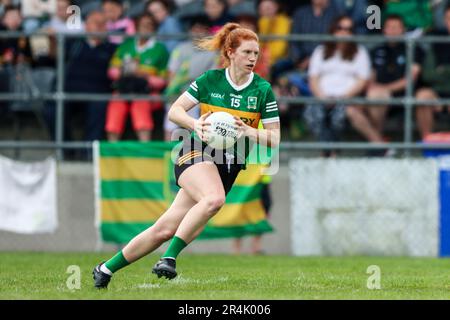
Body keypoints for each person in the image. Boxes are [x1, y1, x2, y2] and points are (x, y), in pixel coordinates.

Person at [93, 22, 281, 288]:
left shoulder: (262, 90)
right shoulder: (210, 80)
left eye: (256, 53)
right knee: (214, 199)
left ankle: (105, 269)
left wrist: (247, 132)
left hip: (230, 164)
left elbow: (274, 138)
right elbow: (175, 111)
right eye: (247, 52)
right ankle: (169, 258)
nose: (253, 58)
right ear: (230, 52)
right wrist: (195, 124)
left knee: (165, 228)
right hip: (196, 150)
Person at [42, 11, 117, 159]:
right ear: (86, 26)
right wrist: (51, 40)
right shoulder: (74, 43)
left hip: (97, 93)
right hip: (69, 90)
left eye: (103, 24)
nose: (100, 27)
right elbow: (54, 56)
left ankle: (88, 154)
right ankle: (66, 151)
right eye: (96, 23)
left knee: (99, 106)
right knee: (51, 109)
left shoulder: (111, 48)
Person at [304, 15, 376, 156]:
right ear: (333, 30)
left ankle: (332, 152)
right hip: (322, 97)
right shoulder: (320, 51)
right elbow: (313, 79)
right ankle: (328, 151)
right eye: (340, 28)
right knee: (313, 114)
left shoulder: (360, 52)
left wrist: (342, 98)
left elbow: (362, 81)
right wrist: (323, 98)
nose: (344, 32)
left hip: (348, 98)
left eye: (348, 29)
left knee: (338, 117)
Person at [105, 13, 169, 142]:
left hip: (147, 92)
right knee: (115, 106)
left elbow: (163, 80)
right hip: (124, 89)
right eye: (141, 25)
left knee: (140, 106)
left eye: (149, 25)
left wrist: (143, 74)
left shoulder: (160, 49)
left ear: (154, 28)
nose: (145, 28)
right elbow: (112, 71)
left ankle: (143, 149)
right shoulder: (126, 45)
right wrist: (127, 70)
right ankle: (112, 150)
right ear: (136, 26)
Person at [367, 14, 423, 140]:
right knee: (375, 95)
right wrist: (378, 89)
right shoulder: (376, 50)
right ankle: (378, 142)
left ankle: (429, 144)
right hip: (381, 94)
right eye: (389, 27)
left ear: (403, 30)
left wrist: (385, 88)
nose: (392, 31)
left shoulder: (413, 49)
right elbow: (370, 77)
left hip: (407, 94)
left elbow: (411, 78)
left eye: (396, 27)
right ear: (384, 30)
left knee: (423, 97)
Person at [163, 14, 218, 140]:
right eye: (196, 29)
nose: (198, 33)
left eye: (203, 29)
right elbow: (171, 74)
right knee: (171, 113)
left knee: (195, 108)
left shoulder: (213, 53)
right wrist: (175, 91)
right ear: (190, 30)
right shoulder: (180, 49)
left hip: (200, 94)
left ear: (208, 32)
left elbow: (212, 78)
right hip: (178, 92)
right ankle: (167, 149)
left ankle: (196, 147)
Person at [415, 5, 450, 140]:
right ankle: (428, 142)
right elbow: (428, 74)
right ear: (444, 20)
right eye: (448, 19)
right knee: (422, 96)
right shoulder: (436, 41)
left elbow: (437, 73)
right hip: (437, 91)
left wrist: (444, 70)